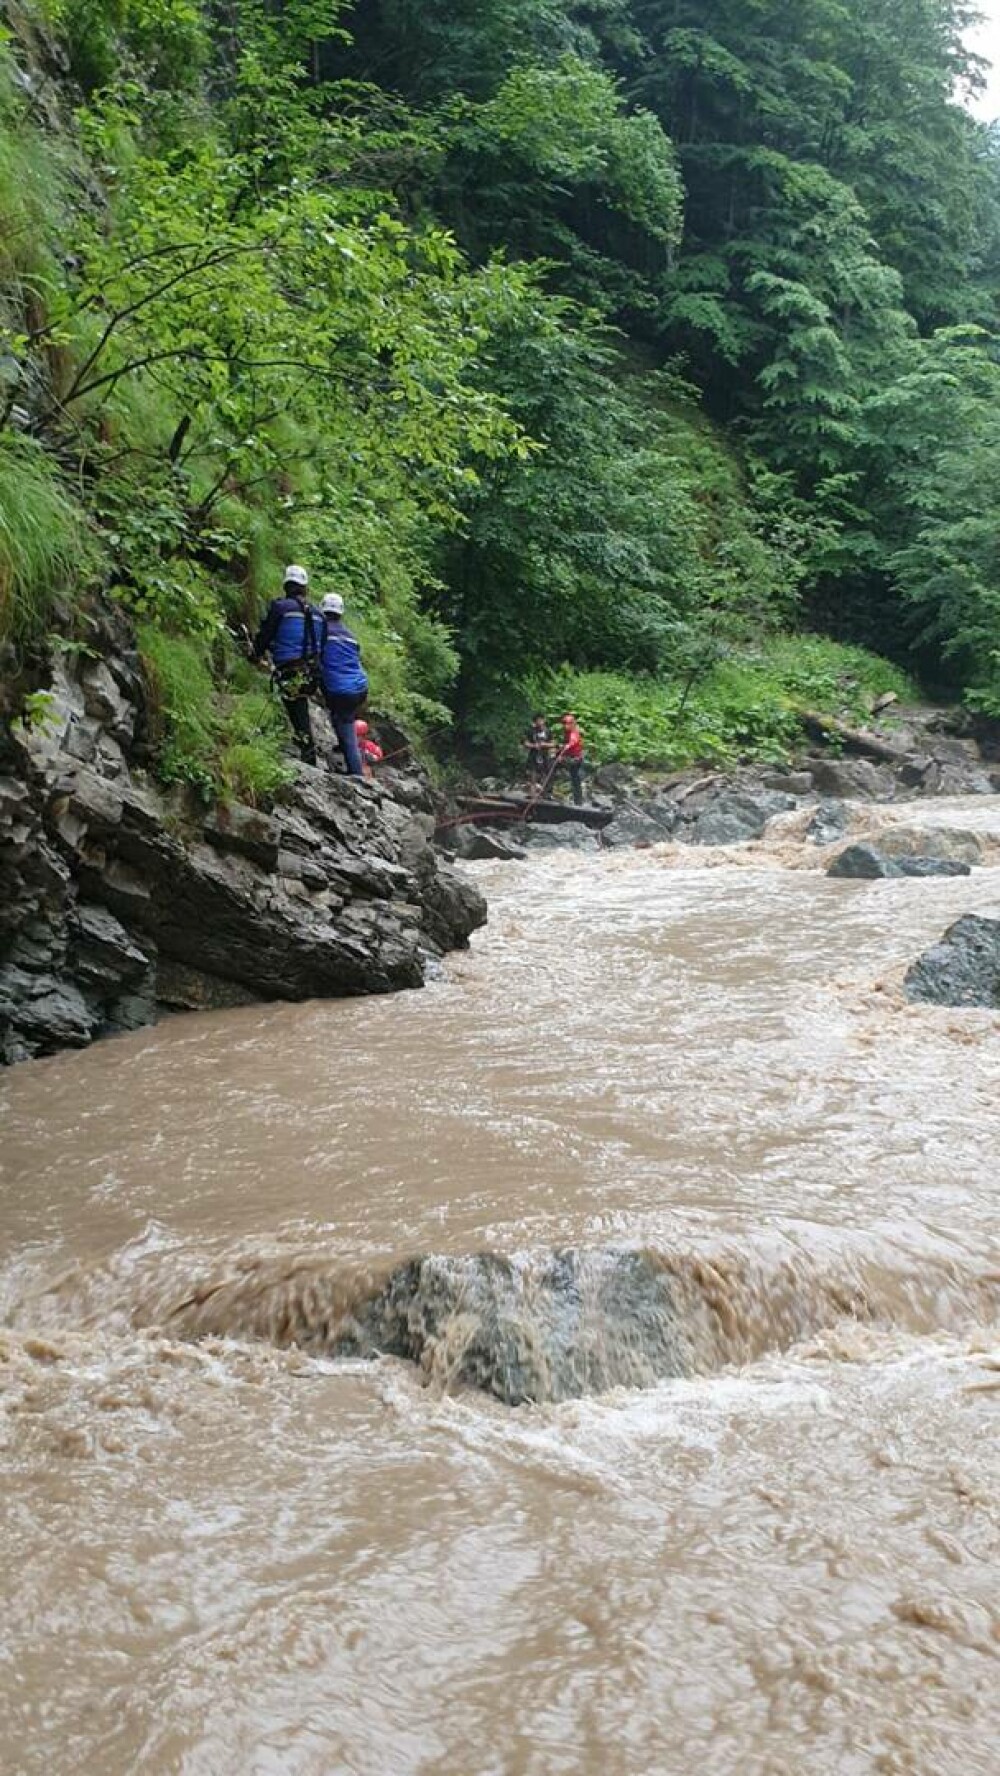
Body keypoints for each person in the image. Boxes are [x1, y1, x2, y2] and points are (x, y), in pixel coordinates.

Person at [251, 564, 324, 766]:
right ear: (305, 588)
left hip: (290, 669)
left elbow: (265, 635)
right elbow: (321, 644)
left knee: (294, 710)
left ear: (286, 586)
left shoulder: (280, 607)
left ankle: (307, 756)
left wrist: (255, 654)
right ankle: (306, 752)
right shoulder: (319, 614)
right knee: (299, 708)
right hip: (313, 672)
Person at [318, 592, 369, 778]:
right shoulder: (351, 636)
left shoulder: (321, 631)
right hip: (359, 686)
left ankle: (356, 774)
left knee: (345, 723)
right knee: (342, 717)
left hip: (340, 689)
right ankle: (345, 750)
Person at [557, 711, 585, 806]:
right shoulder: (566, 733)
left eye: (568, 723)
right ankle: (578, 801)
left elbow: (573, 741)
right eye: (564, 723)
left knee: (575, 779)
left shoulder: (574, 732)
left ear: (573, 723)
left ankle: (578, 802)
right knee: (575, 779)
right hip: (571, 757)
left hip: (575, 759)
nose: (566, 725)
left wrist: (567, 746)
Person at [523, 713, 553, 787]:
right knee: (533, 775)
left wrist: (545, 744)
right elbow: (525, 743)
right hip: (534, 755)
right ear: (535, 722)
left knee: (546, 774)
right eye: (538, 721)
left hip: (545, 755)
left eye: (541, 720)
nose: (540, 722)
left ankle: (546, 792)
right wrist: (534, 745)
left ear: (544, 720)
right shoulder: (531, 731)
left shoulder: (548, 731)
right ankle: (533, 794)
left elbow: (553, 743)